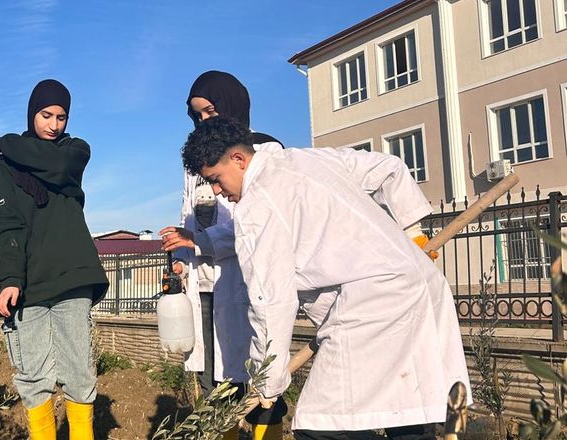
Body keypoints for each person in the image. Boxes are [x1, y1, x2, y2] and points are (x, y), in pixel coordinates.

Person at [180, 117, 470, 440]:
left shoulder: (257, 207)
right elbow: (389, 167)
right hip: (419, 282)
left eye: (216, 179)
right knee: (405, 409)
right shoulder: (305, 159)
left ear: (238, 159)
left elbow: (270, 301)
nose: (218, 192)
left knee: (318, 428)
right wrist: (413, 233)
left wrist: (267, 380)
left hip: (373, 303)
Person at [159, 70, 287, 440]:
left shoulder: (263, 152)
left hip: (245, 281)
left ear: (232, 106)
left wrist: (200, 241)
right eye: (197, 116)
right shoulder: (194, 165)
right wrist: (181, 256)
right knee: (214, 381)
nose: (204, 121)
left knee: (261, 379)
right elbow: (187, 215)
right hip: (201, 284)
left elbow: (256, 225)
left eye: (210, 111)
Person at [0, 79, 109, 440]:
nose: (54, 125)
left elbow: (55, 167)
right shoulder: (3, 169)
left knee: (78, 371)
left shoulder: (74, 153)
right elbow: (4, 224)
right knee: (33, 374)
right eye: (46, 115)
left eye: (61, 116)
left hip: (72, 275)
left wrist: (8, 143)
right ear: (32, 113)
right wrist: (9, 278)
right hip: (27, 282)